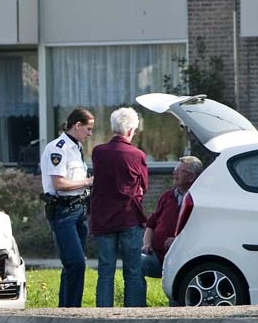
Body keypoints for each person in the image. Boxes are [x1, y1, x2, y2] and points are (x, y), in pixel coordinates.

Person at [89, 107, 149, 308]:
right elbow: (144, 185)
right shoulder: (137, 155)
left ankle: (103, 314)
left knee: (105, 270)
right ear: (131, 130)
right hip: (128, 217)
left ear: (112, 127)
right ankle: (135, 313)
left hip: (103, 219)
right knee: (133, 270)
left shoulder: (98, 153)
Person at [39, 107, 95, 307]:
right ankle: (72, 311)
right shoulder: (59, 148)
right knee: (76, 263)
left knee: (72, 266)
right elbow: (59, 184)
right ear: (77, 125)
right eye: (88, 129)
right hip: (63, 211)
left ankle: (67, 309)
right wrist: (87, 183)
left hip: (78, 209)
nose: (90, 134)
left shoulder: (76, 148)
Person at [141, 156, 203, 279]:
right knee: (136, 263)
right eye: (175, 169)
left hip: (184, 260)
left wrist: (177, 240)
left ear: (191, 177)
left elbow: (201, 231)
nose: (174, 173)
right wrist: (147, 244)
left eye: (180, 171)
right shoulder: (167, 196)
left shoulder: (200, 200)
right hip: (157, 257)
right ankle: (136, 299)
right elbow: (151, 223)